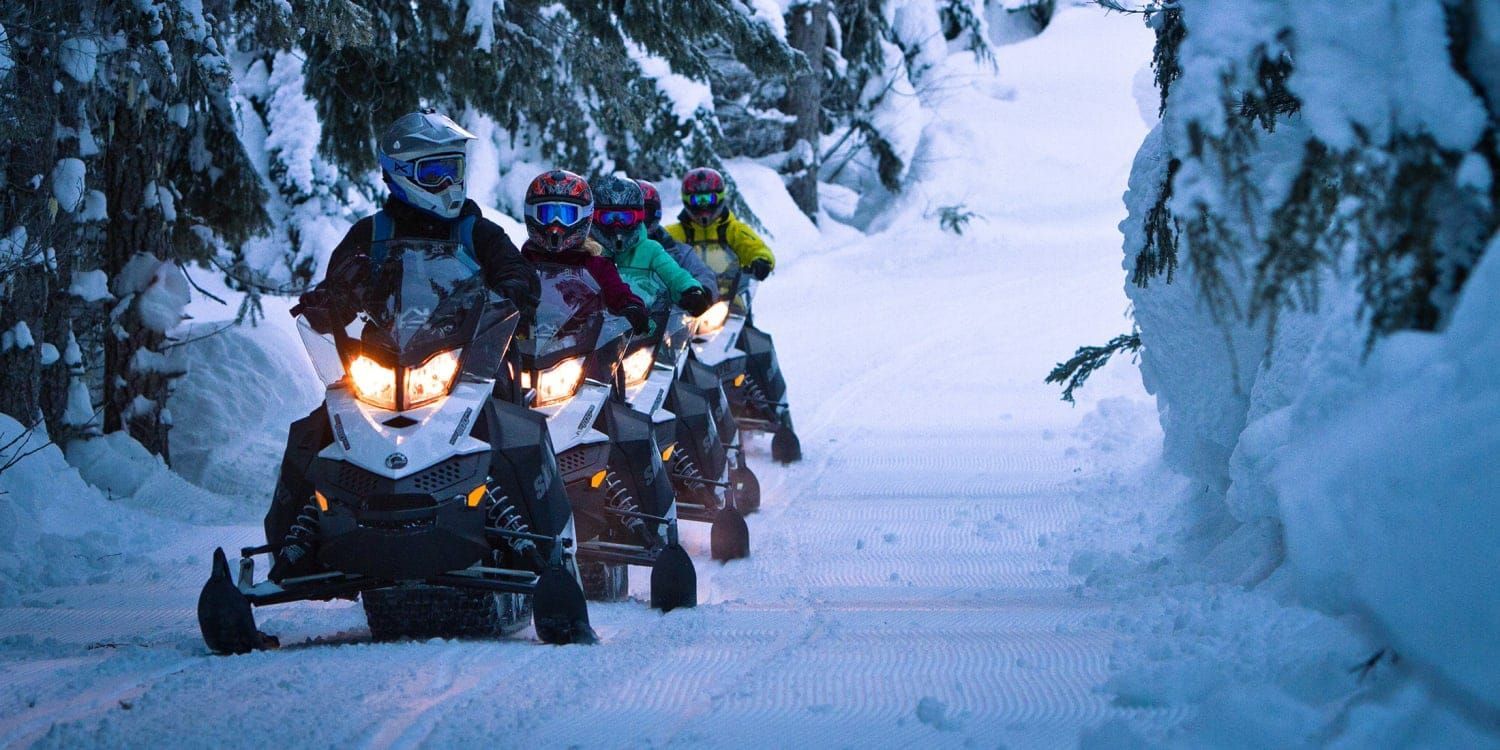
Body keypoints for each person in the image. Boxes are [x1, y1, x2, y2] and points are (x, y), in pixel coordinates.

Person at [267, 109, 540, 582]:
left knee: (508, 423)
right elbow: (341, 280)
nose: (449, 183)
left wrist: (513, 290)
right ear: (400, 176)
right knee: (317, 430)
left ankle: (537, 539)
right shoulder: (370, 235)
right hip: (383, 363)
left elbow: (517, 273)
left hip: (468, 362)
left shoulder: (480, 233)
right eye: (435, 173)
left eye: (454, 169)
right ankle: (296, 542)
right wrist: (326, 300)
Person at [516, 169, 651, 334]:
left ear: (584, 217)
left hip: (581, 346)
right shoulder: (523, 261)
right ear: (530, 214)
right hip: (526, 342)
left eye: (567, 215)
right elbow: (503, 286)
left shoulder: (596, 265)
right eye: (546, 214)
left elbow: (618, 290)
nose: (555, 224)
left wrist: (631, 306)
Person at [590, 175, 712, 320]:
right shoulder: (590, 250)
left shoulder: (651, 250)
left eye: (626, 218)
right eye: (608, 218)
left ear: (638, 218)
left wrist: (691, 290)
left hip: (647, 327)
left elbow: (675, 275)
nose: (617, 225)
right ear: (594, 218)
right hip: (597, 331)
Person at [664, 167, 775, 291]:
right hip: (690, 297)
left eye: (709, 199)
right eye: (697, 200)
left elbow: (756, 247)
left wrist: (762, 261)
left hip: (731, 296)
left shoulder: (733, 229)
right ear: (687, 200)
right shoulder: (674, 233)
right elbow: (656, 249)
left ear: (720, 198)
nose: (703, 205)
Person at [637, 179, 717, 297]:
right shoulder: (603, 253)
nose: (636, 222)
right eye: (625, 216)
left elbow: (703, 274)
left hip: (671, 313)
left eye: (643, 213)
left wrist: (700, 292)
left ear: (655, 213)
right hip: (615, 314)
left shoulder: (676, 251)